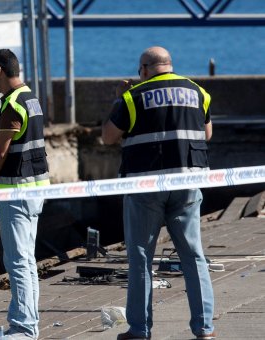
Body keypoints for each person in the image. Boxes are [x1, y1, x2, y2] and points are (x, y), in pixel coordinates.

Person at [102, 46, 216, 340]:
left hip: (145, 186)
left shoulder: (132, 96)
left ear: (144, 69)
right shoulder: (197, 92)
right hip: (187, 183)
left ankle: (139, 329)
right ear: (170, 66)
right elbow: (207, 134)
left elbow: (108, 137)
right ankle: (204, 328)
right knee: (193, 256)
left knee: (141, 257)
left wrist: (119, 97)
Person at [0, 49, 50, 339]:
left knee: (17, 260)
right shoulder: (31, 98)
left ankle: (23, 326)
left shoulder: (12, 105)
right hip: (34, 189)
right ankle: (28, 321)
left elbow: (2, 150)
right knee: (27, 260)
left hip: (15, 190)